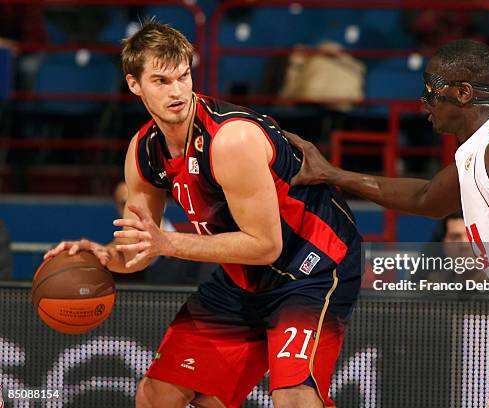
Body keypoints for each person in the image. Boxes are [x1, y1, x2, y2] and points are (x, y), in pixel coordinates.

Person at [45, 21, 361, 408]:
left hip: (313, 264)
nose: (177, 91)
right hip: (242, 274)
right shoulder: (143, 150)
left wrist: (168, 243)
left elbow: (265, 245)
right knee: (157, 394)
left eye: (183, 76)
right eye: (161, 81)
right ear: (134, 85)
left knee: (294, 396)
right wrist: (105, 257)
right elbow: (140, 246)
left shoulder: (231, 139)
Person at [286, 39, 489, 407]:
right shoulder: (479, 151)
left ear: (463, 93)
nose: (423, 103)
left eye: (432, 91)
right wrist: (331, 174)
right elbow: (425, 198)